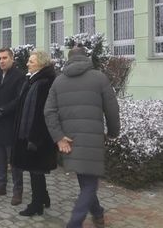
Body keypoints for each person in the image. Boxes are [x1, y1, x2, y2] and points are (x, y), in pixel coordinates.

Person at [44, 47, 120, 228]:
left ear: (68, 59)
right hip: (92, 140)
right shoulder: (99, 78)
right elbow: (112, 109)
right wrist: (113, 132)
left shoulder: (58, 82)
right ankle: (75, 222)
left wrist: (59, 137)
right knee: (89, 184)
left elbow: (49, 112)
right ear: (86, 57)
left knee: (86, 181)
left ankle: (98, 213)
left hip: (69, 141)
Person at [11, 50, 57, 216]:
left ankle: (36, 205)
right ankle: (44, 197)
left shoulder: (44, 82)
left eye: (31, 61)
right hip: (30, 133)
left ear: (41, 64)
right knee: (35, 169)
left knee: (36, 170)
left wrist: (34, 138)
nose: (27, 63)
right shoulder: (32, 80)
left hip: (37, 136)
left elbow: (41, 113)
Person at [0, 48, 24, 204]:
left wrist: (3, 110)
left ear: (12, 59)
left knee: (14, 161)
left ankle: (17, 190)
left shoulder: (19, 76)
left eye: (4, 58)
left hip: (10, 124)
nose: (1, 61)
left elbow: (19, 98)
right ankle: (1, 185)